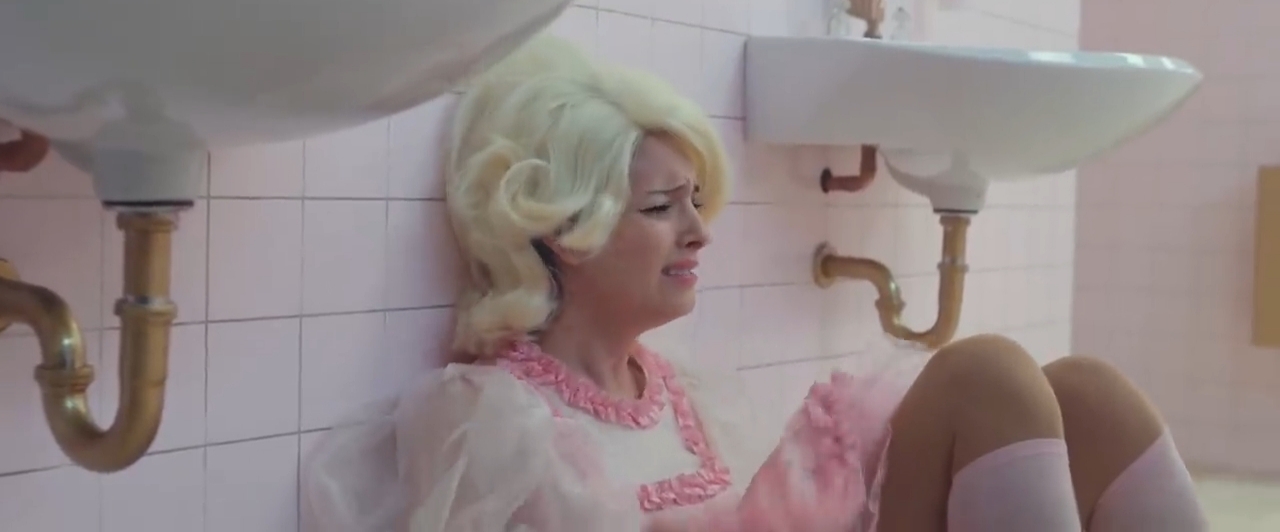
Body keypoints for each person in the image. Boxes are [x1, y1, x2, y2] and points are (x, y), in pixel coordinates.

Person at [302, 35, 1208, 531]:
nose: (700, 232)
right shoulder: (497, 417)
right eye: (662, 207)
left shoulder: (689, 397)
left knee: (1089, 393)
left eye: (696, 201)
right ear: (566, 232)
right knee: (984, 374)